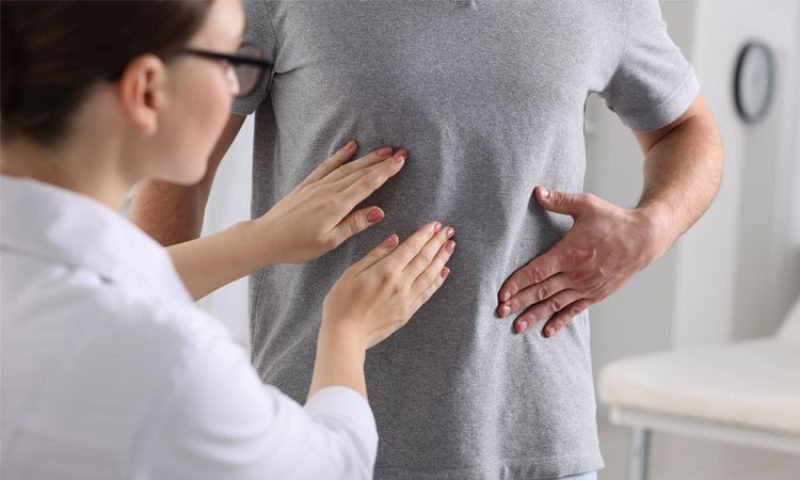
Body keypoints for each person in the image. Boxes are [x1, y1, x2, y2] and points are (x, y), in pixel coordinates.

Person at [132, 1, 725, 479]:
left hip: (540, 444)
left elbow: (686, 127)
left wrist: (653, 228)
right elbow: (176, 168)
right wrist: (147, 359)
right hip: (321, 431)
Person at [0, 1, 457, 478]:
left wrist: (257, 240)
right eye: (228, 63)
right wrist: (347, 330)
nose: (235, 90)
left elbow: (107, 285)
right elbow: (333, 467)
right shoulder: (172, 364)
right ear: (147, 91)